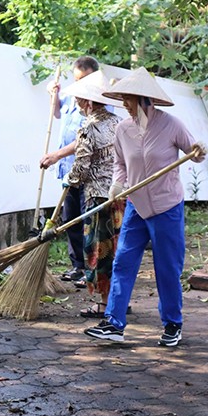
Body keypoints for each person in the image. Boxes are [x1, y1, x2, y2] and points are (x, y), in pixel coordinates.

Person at [84, 67, 207, 347]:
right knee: (123, 262)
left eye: (127, 98)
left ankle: (172, 323)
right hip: (136, 206)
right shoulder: (123, 129)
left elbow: (193, 152)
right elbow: (120, 165)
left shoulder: (170, 124)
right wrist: (117, 185)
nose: (124, 104)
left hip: (167, 207)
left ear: (142, 98)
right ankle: (114, 323)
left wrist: (199, 150)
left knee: (167, 267)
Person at [59, 70, 124, 318]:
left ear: (88, 102)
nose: (77, 104)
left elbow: (82, 166)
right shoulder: (117, 123)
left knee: (98, 250)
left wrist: (70, 181)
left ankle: (104, 303)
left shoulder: (89, 128)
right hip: (119, 195)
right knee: (116, 248)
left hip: (97, 197)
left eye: (78, 100)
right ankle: (118, 299)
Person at [40, 56, 100, 283]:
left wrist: (56, 155)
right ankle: (77, 265)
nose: (79, 84)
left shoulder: (99, 102)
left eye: (83, 79)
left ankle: (91, 268)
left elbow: (86, 139)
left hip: (89, 171)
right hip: (68, 170)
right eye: (76, 79)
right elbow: (56, 113)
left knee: (88, 220)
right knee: (69, 217)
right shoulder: (71, 97)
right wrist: (53, 95)